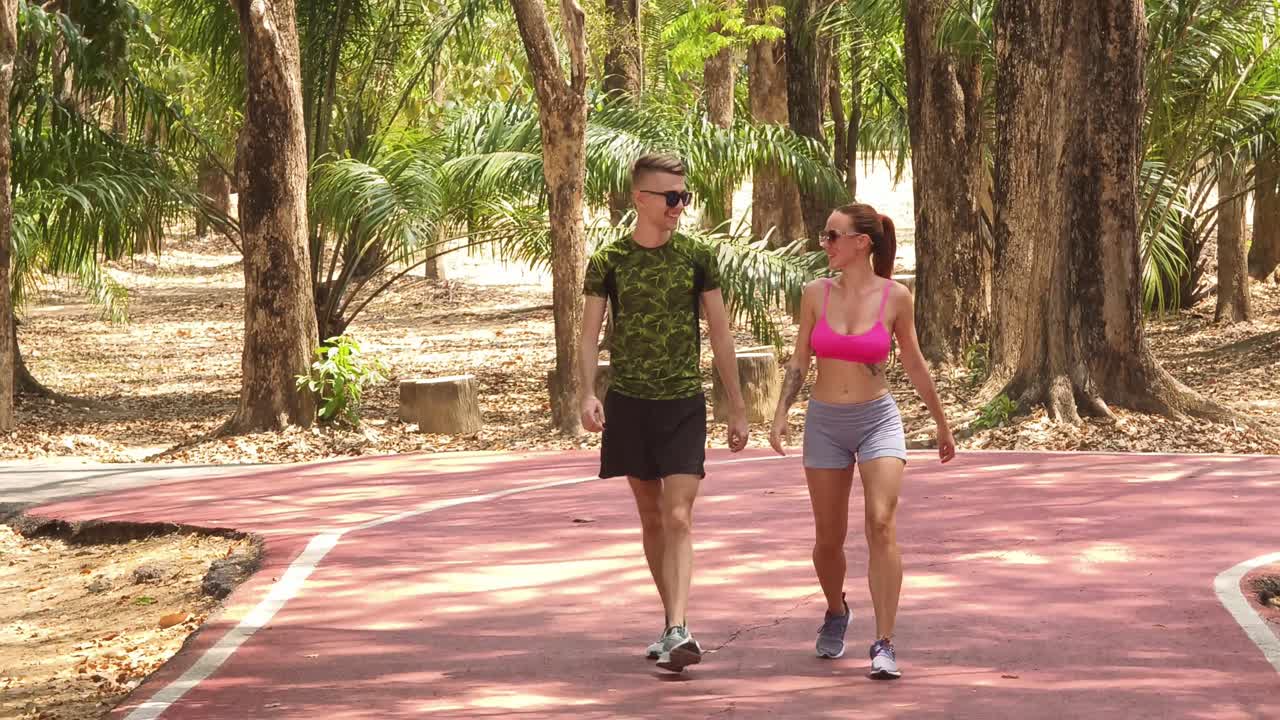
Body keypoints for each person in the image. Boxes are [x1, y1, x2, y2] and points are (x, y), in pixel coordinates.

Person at [578, 152, 750, 673]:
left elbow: (720, 333)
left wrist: (736, 407)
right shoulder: (608, 260)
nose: (680, 206)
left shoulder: (698, 255)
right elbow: (588, 335)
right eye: (671, 197)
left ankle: (679, 628)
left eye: (684, 197)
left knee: (679, 514)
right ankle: (670, 623)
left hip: (682, 402)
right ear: (640, 198)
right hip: (628, 403)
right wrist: (587, 392)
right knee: (651, 517)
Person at [768, 203, 955, 680]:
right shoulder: (815, 294)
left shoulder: (896, 297)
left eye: (832, 235)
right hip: (825, 422)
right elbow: (799, 359)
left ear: (861, 243)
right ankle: (836, 610)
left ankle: (884, 642)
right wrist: (782, 411)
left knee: (881, 523)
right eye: (824, 235)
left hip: (878, 420)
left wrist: (940, 421)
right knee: (828, 541)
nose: (824, 243)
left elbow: (913, 361)